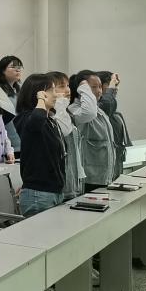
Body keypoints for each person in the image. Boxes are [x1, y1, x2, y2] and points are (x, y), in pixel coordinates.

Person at [12, 73, 65, 218]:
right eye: (51, 90)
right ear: (37, 93)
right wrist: (41, 100)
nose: (56, 94)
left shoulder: (49, 121)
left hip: (53, 192)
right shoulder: (26, 118)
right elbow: (36, 121)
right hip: (39, 195)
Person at [49, 70, 95, 200]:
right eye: (61, 86)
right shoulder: (52, 115)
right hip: (63, 180)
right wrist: (59, 102)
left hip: (74, 176)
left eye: (68, 85)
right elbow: (64, 130)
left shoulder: (67, 112)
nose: (68, 90)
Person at [70, 71, 117, 192]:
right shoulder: (75, 109)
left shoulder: (99, 110)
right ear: (81, 89)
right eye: (94, 87)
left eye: (100, 87)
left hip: (103, 177)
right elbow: (88, 113)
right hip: (89, 178)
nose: (99, 91)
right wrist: (83, 87)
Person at [96, 70, 130, 179]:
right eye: (109, 84)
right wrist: (111, 88)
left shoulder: (115, 114)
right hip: (103, 166)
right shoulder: (96, 110)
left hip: (117, 160)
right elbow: (106, 104)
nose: (115, 89)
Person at [0, 56, 24, 156]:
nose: (17, 70)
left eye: (19, 67)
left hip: (22, 140)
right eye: (13, 67)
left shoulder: (20, 90)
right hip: (9, 142)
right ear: (2, 70)